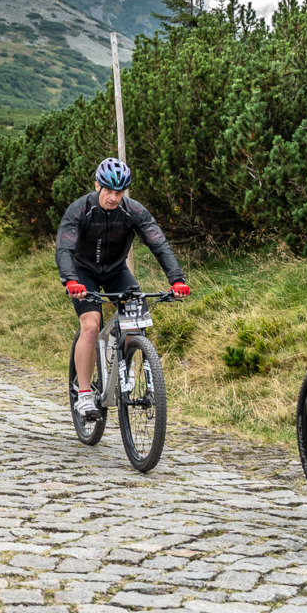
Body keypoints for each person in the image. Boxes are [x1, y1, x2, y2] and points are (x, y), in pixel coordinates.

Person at [57, 158, 190, 419]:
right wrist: (71, 280)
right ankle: (84, 395)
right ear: (97, 186)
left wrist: (177, 280)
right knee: (92, 325)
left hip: (117, 271)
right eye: (108, 190)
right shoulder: (79, 210)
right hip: (83, 272)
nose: (114, 197)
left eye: (119, 192)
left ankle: (126, 370)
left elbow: (158, 244)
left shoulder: (134, 211)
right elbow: (64, 248)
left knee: (135, 323)